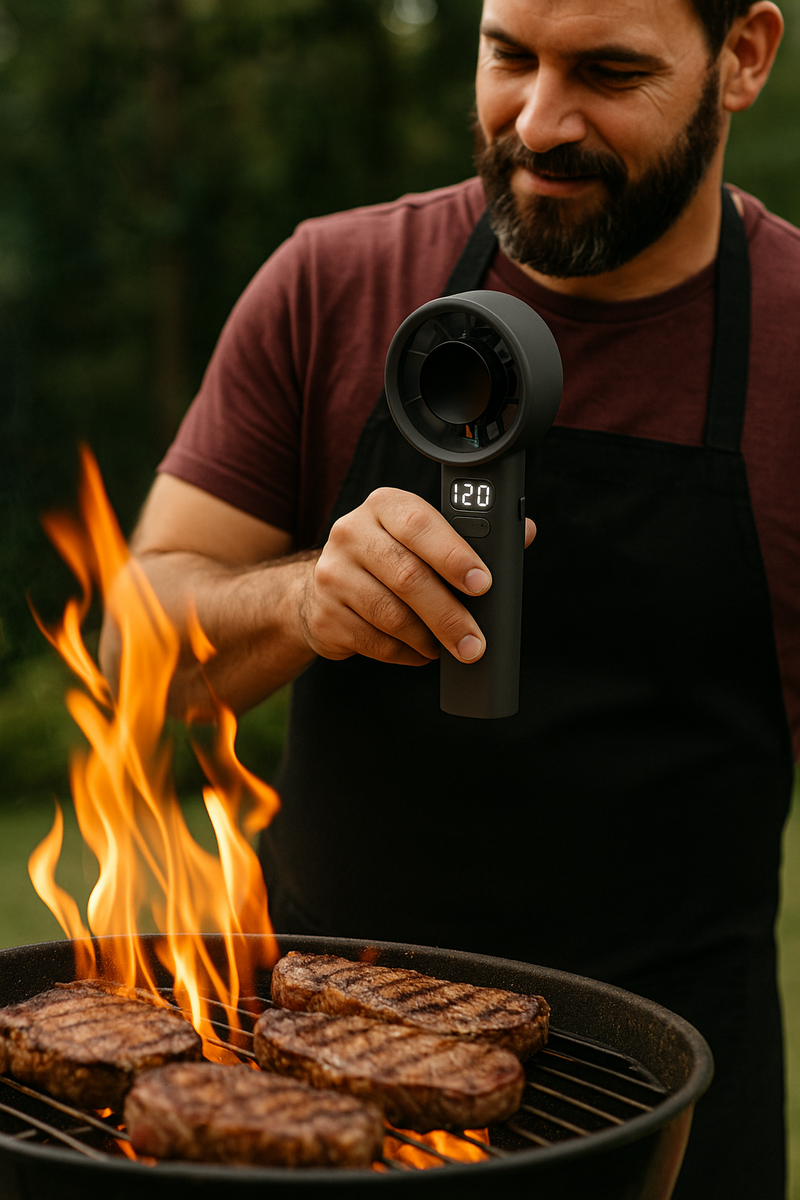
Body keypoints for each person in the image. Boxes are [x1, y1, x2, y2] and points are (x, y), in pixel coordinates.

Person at [100, 1, 800, 1195]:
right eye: (506, 56)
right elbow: (131, 655)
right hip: (307, 1082)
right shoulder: (335, 281)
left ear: (740, 58)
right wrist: (300, 601)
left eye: (607, 71)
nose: (536, 120)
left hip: (671, 1106)